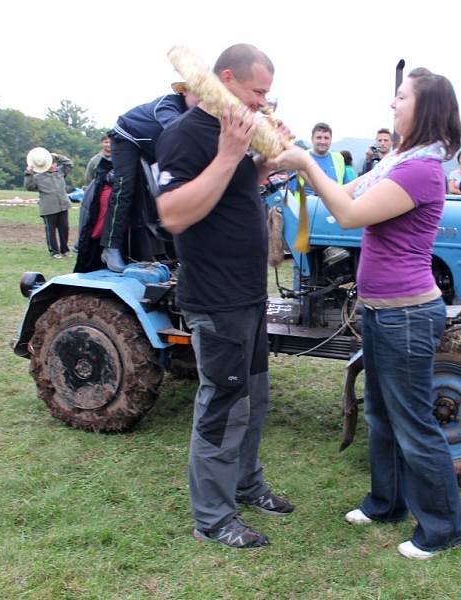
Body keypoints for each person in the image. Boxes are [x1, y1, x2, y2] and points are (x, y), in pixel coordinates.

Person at [275, 67, 461, 561]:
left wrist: (306, 163)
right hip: (383, 313)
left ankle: (443, 529)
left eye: (400, 97)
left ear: (423, 108)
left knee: (415, 423)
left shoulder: (420, 170)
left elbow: (350, 216)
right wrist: (297, 159)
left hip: (407, 316)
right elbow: (346, 193)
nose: (392, 105)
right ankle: (386, 503)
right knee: (381, 414)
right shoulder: (398, 158)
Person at [156, 43, 293, 550]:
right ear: (227, 78)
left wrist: (257, 165)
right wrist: (229, 155)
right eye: (257, 92)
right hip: (215, 299)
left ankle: (246, 484)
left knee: (253, 400)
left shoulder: (234, 130)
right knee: (223, 405)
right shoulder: (185, 136)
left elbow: (232, 195)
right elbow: (174, 213)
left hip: (248, 295)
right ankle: (212, 518)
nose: (262, 103)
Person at [101, 83, 200, 272]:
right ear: (184, 90)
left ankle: (174, 250)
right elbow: (176, 130)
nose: (203, 100)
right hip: (127, 137)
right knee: (124, 187)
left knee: (168, 191)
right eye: (199, 93)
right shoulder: (168, 104)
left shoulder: (197, 115)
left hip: (154, 146)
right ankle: (110, 247)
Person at [24, 147, 73, 259]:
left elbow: (69, 164)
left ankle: (65, 250)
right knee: (51, 231)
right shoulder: (37, 177)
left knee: (64, 229)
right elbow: (29, 187)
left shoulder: (60, 172)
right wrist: (28, 173)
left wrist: (58, 156)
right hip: (48, 208)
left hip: (63, 206)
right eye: (50, 163)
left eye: (54, 163)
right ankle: (54, 252)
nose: (53, 166)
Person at [290, 122, 353, 196]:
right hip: (306, 206)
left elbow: (345, 186)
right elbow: (292, 190)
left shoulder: (338, 158)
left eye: (326, 138)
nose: (323, 142)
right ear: (312, 139)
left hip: (333, 206)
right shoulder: (301, 158)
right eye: (319, 138)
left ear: (331, 139)